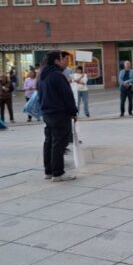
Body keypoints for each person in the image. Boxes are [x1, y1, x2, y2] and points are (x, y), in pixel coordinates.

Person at [39, 50, 78, 182]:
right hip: (59, 114)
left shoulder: (43, 76)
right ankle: (58, 173)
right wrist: (73, 111)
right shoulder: (57, 76)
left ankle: (49, 171)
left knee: (49, 142)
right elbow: (67, 96)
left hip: (47, 113)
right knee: (59, 143)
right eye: (62, 58)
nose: (64, 61)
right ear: (56, 61)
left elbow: (40, 96)